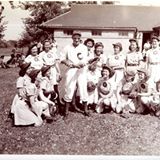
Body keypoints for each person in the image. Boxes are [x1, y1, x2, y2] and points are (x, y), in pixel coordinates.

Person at [60, 30, 89, 119]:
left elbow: (85, 59)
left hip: (81, 70)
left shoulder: (84, 47)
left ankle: (85, 110)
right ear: (72, 38)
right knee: (69, 88)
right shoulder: (67, 47)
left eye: (78, 38)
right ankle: (66, 111)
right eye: (75, 38)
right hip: (71, 69)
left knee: (83, 87)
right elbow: (62, 58)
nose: (76, 40)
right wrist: (68, 63)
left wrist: (82, 63)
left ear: (80, 38)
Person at [39, 40, 62, 106]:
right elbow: (41, 65)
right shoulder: (41, 54)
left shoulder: (53, 53)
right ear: (43, 46)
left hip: (53, 70)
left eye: (48, 45)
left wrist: (59, 72)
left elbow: (56, 63)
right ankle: (48, 101)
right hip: (46, 71)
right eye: (45, 45)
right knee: (47, 86)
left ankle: (58, 101)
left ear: (50, 45)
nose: (47, 46)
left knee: (55, 86)